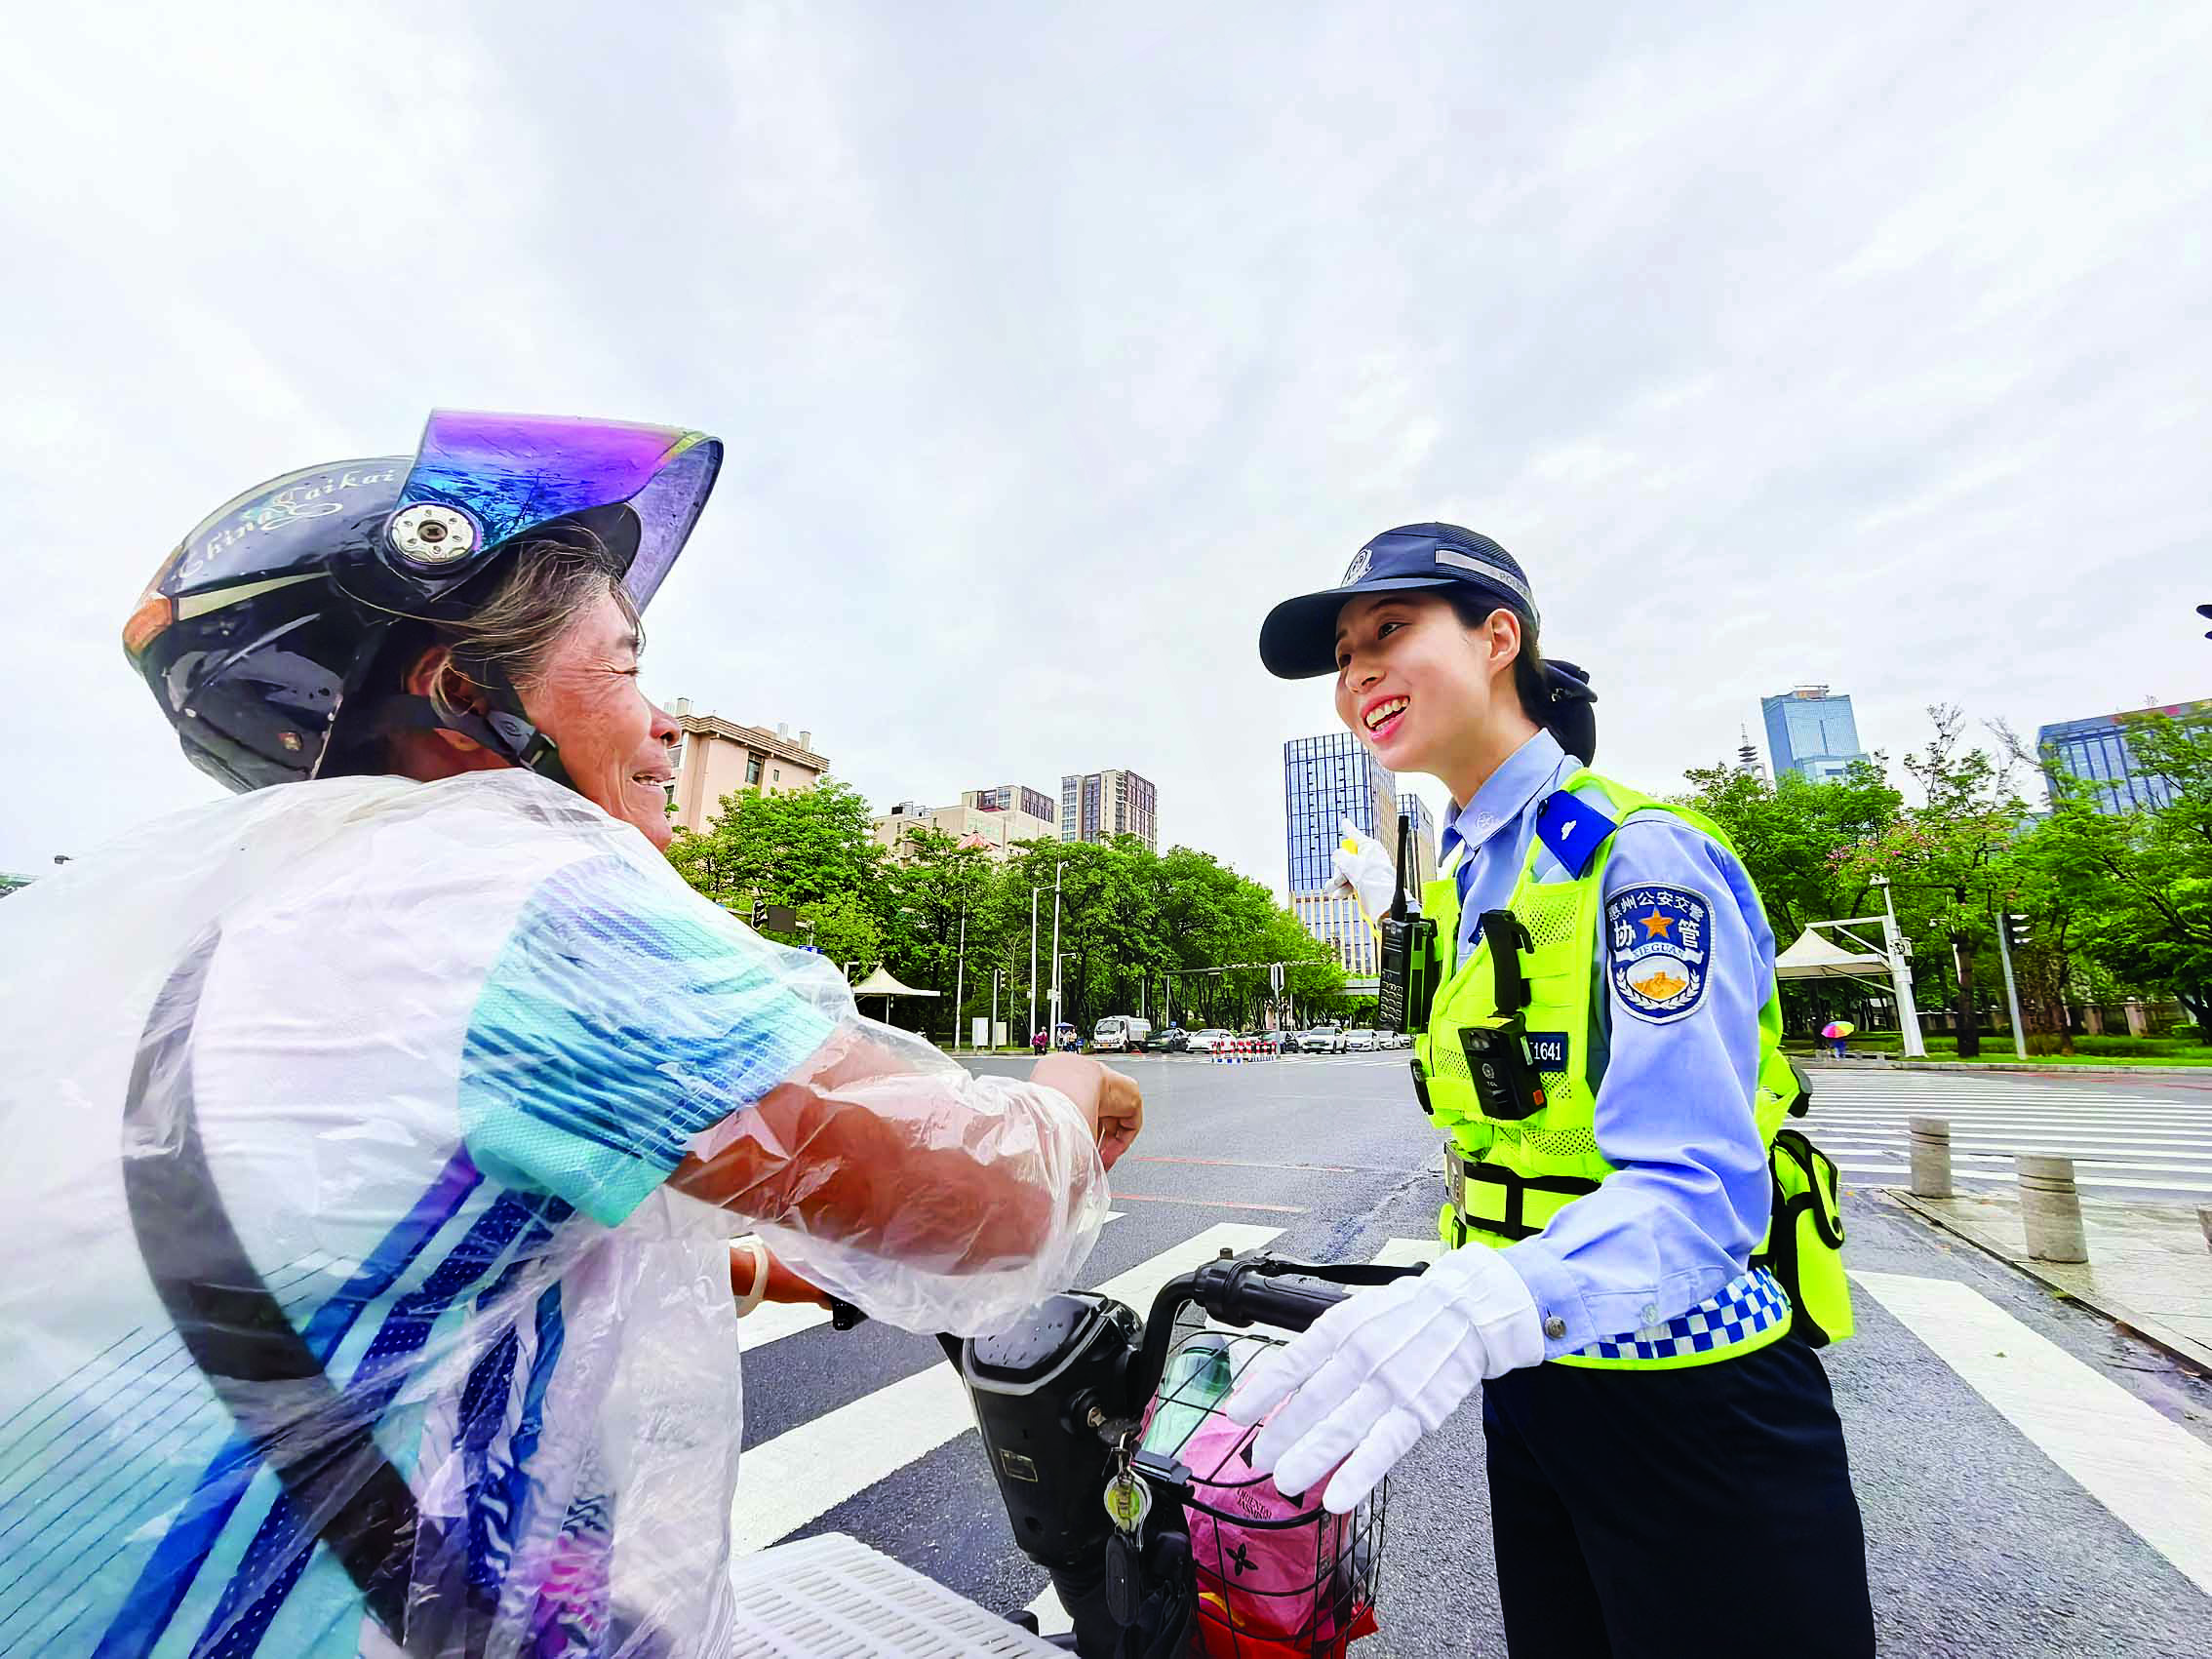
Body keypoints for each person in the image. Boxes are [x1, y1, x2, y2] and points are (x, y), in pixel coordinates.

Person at [0, 411, 1140, 1659]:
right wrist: (1075, 1093)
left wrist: (757, 1267)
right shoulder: (511, 896)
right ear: (460, 689)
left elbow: (364, 1238)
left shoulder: (224, 929)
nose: (659, 724)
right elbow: (986, 1205)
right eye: (628, 662)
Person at [1231, 524, 1872, 1657]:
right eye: (1342, 656)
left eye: (1388, 631)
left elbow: (1699, 1191)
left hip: (1689, 1387)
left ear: (1496, 640)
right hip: (1538, 1369)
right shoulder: (1475, 867)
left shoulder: (1638, 855)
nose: (1356, 674)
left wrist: (1480, 1305)